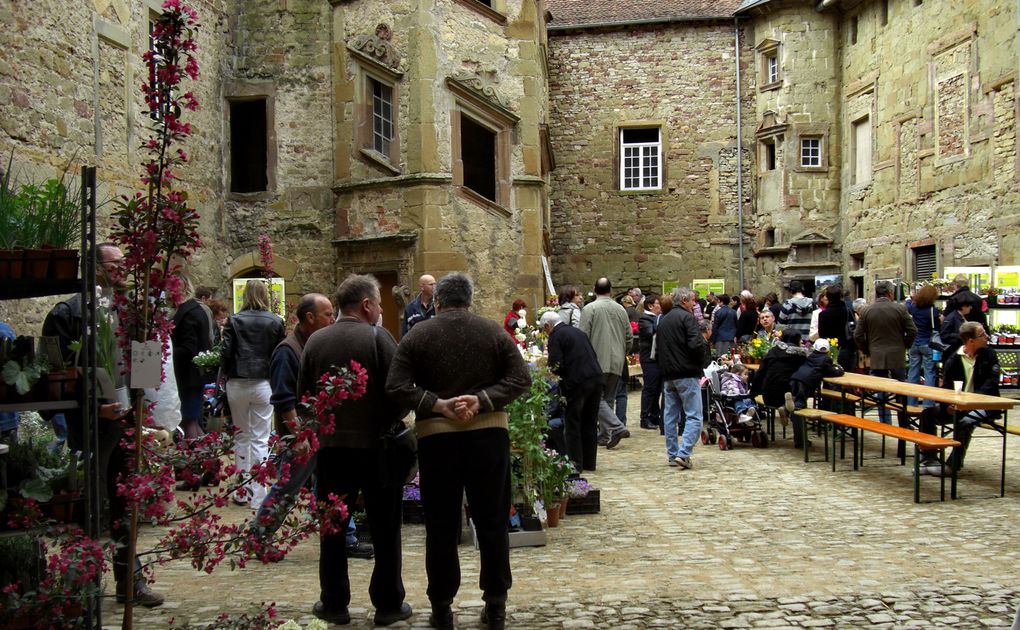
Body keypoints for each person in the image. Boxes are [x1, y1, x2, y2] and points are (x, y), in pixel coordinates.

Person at [386, 272, 531, 630]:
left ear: (437, 301)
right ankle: (495, 604)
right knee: (493, 521)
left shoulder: (419, 334)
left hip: (438, 441)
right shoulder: (493, 331)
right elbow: (520, 379)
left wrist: (438, 405)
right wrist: (481, 400)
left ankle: (442, 607)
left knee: (441, 524)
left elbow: (396, 386)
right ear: (470, 299)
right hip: (488, 437)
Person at [42, 243, 165, 607]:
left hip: (126, 420)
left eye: (125, 264)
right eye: (115, 265)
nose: (122, 270)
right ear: (94, 268)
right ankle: (87, 583)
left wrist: (142, 401)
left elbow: (145, 360)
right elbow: (55, 371)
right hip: (91, 424)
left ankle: (130, 582)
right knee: (91, 505)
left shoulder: (134, 311)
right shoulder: (68, 313)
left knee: (126, 503)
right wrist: (95, 407)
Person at [298, 275, 412, 626]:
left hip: (332, 450)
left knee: (333, 528)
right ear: (366, 305)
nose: (380, 309)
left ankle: (334, 603)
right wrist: (387, 421)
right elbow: (399, 392)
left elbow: (305, 398)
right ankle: (389, 604)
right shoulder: (379, 337)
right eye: (378, 303)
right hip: (376, 447)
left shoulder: (316, 341)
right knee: (385, 528)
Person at [220, 279, 285, 510]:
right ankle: (259, 497)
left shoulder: (235, 320)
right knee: (260, 438)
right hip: (264, 383)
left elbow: (226, 353)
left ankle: (240, 490)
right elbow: (279, 354)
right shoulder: (276, 321)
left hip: (237, 382)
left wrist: (225, 374)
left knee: (241, 436)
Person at [919, 322, 1001, 475]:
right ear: (971, 340)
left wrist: (971, 402)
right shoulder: (954, 359)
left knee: (965, 422)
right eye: (983, 334)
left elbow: (992, 383)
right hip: (959, 405)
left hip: (986, 405)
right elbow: (947, 388)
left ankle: (952, 465)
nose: (987, 337)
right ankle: (928, 458)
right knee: (927, 415)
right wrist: (947, 405)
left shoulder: (990, 355)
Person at [541, 311, 602, 473]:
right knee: (590, 421)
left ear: (548, 325)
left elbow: (555, 364)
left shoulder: (556, 336)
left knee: (573, 423)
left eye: (544, 329)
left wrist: (554, 381)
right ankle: (589, 462)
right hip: (595, 378)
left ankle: (575, 464)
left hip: (577, 383)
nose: (545, 332)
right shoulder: (577, 332)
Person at [656, 286, 709, 469]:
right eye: (692, 300)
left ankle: (672, 454)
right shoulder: (687, 318)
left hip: (669, 374)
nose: (694, 304)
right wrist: (700, 363)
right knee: (694, 415)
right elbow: (696, 344)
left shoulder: (663, 319)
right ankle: (684, 453)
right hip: (686, 372)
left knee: (670, 416)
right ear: (684, 300)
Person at [853, 280, 917, 425]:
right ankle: (903, 421)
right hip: (897, 355)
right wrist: (904, 345)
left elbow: (857, 335)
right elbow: (912, 330)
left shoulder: (867, 310)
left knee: (881, 390)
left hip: (877, 354)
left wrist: (867, 349)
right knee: (901, 390)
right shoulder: (900, 309)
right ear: (890, 293)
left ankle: (885, 421)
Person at [579, 277, 632, 448]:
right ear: (611, 289)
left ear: (594, 289)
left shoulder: (589, 309)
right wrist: (623, 352)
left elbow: (583, 336)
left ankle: (616, 427)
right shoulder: (621, 310)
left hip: (596, 360)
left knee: (595, 398)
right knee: (608, 398)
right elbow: (629, 337)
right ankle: (603, 435)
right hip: (617, 360)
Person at [171, 281, 214, 442]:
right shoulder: (197, 310)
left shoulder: (189, 312)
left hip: (188, 376)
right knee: (193, 420)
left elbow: (189, 348)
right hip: (194, 375)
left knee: (189, 421)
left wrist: (165, 351)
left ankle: (195, 463)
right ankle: (201, 461)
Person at [750, 329, 809, 446]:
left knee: (791, 398)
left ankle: (785, 408)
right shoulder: (801, 356)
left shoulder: (772, 351)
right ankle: (800, 441)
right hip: (787, 392)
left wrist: (753, 392)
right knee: (798, 404)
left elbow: (760, 373)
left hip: (769, 394)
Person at [905, 284, 941, 406]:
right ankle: (928, 404)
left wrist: (912, 296)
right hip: (928, 344)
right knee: (929, 373)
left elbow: (908, 304)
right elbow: (936, 328)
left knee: (913, 372)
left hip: (914, 343)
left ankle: (911, 402)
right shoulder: (933, 311)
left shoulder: (914, 308)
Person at [789, 338, 845, 411]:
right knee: (800, 402)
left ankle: (786, 409)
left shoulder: (810, 356)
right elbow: (832, 372)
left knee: (794, 396)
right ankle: (798, 414)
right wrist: (840, 369)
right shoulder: (826, 359)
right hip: (806, 381)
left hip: (796, 377)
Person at [817, 285, 857, 372]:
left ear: (827, 297)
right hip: (847, 348)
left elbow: (821, 334)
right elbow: (853, 328)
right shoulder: (848, 311)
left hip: (830, 349)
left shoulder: (823, 314)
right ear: (840, 296)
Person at [637, 293, 662, 430]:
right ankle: (644, 418)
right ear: (651, 306)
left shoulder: (656, 318)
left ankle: (654, 415)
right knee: (649, 388)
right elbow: (650, 333)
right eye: (658, 304)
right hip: (649, 359)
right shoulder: (644, 319)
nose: (660, 306)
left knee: (657, 388)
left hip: (657, 358)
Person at [710, 293, 737, 358]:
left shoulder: (718, 312)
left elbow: (715, 327)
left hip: (720, 338)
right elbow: (736, 325)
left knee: (721, 358)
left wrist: (712, 340)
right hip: (731, 337)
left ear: (720, 301)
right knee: (731, 358)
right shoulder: (734, 312)